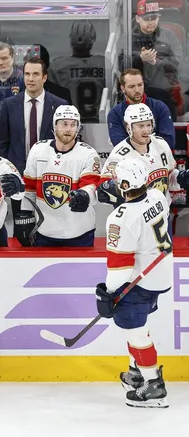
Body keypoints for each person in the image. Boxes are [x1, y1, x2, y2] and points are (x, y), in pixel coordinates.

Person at [96, 157, 171, 408]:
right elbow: (144, 213)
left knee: (135, 330)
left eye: (118, 180)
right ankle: (137, 372)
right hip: (160, 272)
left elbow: (120, 266)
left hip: (139, 280)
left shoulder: (120, 218)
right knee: (137, 325)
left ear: (125, 184)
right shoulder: (157, 197)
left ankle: (153, 385)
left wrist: (108, 292)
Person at [21, 105, 100, 247]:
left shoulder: (88, 154)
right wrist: (26, 216)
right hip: (44, 231)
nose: (68, 129)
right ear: (54, 126)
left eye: (73, 124)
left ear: (78, 127)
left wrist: (85, 196)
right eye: (64, 124)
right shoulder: (38, 150)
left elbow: (91, 186)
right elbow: (29, 187)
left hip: (80, 232)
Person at [0, 57, 68, 178]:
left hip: (50, 171)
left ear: (44, 77)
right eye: (27, 74)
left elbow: (66, 141)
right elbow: (3, 141)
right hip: (17, 173)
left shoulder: (60, 105)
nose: (30, 79)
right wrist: (9, 168)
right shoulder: (9, 104)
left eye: (35, 74)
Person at [99, 103, 175, 207]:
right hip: (133, 219)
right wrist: (110, 191)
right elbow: (103, 189)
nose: (146, 130)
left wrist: (181, 178)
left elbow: (170, 177)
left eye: (149, 125)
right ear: (128, 128)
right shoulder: (119, 156)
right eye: (141, 126)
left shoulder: (161, 144)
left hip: (161, 215)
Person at [48, 20, 106, 123]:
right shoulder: (104, 63)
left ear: (71, 39)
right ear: (93, 39)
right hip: (98, 122)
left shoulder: (58, 66)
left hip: (68, 122)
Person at [106, 68, 174, 148]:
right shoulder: (115, 113)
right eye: (131, 87)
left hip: (157, 158)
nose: (137, 90)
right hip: (130, 159)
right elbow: (120, 145)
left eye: (140, 85)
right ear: (123, 88)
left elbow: (169, 142)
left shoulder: (159, 107)